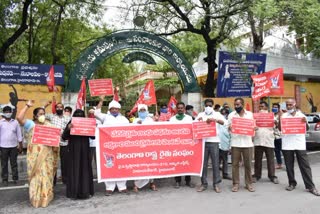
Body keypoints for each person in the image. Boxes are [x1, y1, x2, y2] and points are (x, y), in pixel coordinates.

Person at [17, 100, 59, 208]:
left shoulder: (49, 125)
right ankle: (35, 197)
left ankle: (46, 197)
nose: (43, 116)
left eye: (44, 114)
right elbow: (19, 118)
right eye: (40, 114)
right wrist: (27, 106)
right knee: (36, 175)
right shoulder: (30, 124)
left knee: (46, 175)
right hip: (34, 156)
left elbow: (55, 137)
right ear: (35, 116)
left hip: (47, 155)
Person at [280, 98, 320, 196]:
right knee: (289, 166)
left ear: (295, 104)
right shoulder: (284, 116)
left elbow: (305, 129)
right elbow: (280, 128)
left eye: (290, 104)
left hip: (299, 144)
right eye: (287, 105)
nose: (289, 106)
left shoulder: (301, 115)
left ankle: (310, 186)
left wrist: (304, 122)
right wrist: (279, 120)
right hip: (287, 144)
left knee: (305, 166)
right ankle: (292, 183)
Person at [94, 96, 129, 196]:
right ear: (109, 109)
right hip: (108, 146)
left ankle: (122, 186)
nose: (114, 110)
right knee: (109, 165)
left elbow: (129, 131)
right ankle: (109, 187)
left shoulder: (124, 119)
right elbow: (96, 113)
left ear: (119, 109)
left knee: (121, 165)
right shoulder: (105, 117)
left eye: (116, 109)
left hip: (121, 146)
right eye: (112, 109)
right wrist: (101, 101)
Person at [62, 109, 94, 199]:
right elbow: (64, 137)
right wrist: (68, 128)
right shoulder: (71, 122)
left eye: (81, 114)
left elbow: (93, 136)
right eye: (77, 114)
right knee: (74, 170)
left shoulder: (87, 122)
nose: (79, 115)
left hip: (85, 150)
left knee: (85, 169)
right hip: (73, 151)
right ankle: (73, 193)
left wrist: (92, 127)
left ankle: (85, 192)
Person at [196, 99, 226, 193]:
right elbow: (194, 126)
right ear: (204, 106)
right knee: (203, 164)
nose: (208, 107)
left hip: (214, 141)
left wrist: (215, 120)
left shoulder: (216, 114)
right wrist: (198, 121)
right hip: (203, 142)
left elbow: (225, 122)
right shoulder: (200, 114)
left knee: (215, 163)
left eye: (210, 105)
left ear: (213, 106)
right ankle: (203, 184)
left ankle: (216, 184)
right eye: (206, 105)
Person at [228, 98, 255, 192]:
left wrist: (254, 128)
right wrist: (229, 127)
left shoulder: (250, 115)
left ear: (242, 104)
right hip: (235, 143)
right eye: (235, 105)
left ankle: (249, 183)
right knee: (235, 165)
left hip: (247, 143)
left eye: (238, 105)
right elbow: (228, 128)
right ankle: (236, 184)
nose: (236, 106)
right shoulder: (231, 115)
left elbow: (253, 127)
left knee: (248, 164)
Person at [44, 100, 71, 184]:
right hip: (53, 143)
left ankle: (65, 180)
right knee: (53, 162)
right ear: (55, 109)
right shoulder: (51, 117)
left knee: (65, 162)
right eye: (57, 107)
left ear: (63, 109)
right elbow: (40, 115)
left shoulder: (68, 118)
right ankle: (53, 180)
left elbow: (71, 128)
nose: (59, 108)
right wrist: (44, 106)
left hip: (64, 142)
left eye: (61, 107)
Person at [132, 104, 158, 192]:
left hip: (150, 146)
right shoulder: (135, 120)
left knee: (151, 164)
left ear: (147, 111)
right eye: (141, 110)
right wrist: (136, 125)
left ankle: (152, 183)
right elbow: (130, 133)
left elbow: (155, 131)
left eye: (144, 110)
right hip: (138, 147)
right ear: (138, 112)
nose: (142, 112)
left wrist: (157, 122)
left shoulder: (151, 120)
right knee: (138, 165)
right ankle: (136, 184)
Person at [252, 101, 279, 184]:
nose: (261, 108)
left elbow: (276, 128)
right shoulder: (255, 116)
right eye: (259, 107)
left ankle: (272, 176)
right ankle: (257, 175)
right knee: (257, 160)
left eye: (262, 106)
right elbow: (251, 126)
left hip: (269, 140)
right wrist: (253, 128)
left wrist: (276, 123)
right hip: (258, 140)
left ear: (266, 107)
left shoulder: (272, 116)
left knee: (270, 160)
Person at [169, 102, 194, 188]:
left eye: (181, 108)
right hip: (176, 145)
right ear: (176, 109)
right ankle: (177, 181)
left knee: (187, 163)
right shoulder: (172, 119)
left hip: (187, 145)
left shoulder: (189, 118)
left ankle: (188, 181)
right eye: (178, 108)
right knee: (177, 163)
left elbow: (193, 130)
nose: (180, 109)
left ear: (184, 109)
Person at [0, 105, 23, 186]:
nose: (8, 113)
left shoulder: (15, 122)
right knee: (4, 164)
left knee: (14, 163)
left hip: (13, 146)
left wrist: (20, 145)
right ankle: (5, 179)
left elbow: (19, 134)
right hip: (3, 147)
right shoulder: (0, 123)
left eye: (9, 112)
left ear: (11, 112)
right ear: (3, 113)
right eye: (6, 112)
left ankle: (15, 179)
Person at [219, 108, 231, 180]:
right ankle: (217, 175)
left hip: (225, 144)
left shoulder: (228, 123)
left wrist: (230, 146)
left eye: (225, 114)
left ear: (227, 115)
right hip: (217, 144)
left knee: (225, 160)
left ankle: (225, 174)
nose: (223, 115)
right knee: (217, 161)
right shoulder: (217, 122)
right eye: (222, 114)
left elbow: (230, 134)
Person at [272, 103, 283, 169]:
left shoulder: (281, 115)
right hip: (273, 136)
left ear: (278, 108)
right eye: (273, 107)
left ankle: (288, 164)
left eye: (276, 107)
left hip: (280, 136)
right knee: (276, 151)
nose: (274, 108)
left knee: (283, 150)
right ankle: (279, 164)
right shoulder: (271, 115)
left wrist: (277, 123)